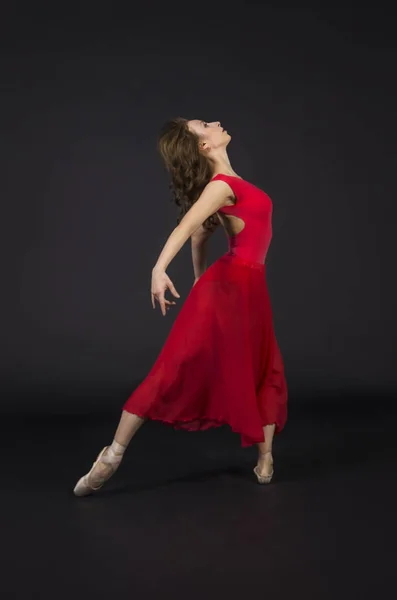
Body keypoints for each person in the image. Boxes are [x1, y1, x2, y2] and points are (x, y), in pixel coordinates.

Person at [73, 118, 288, 496]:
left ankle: (265, 457)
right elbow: (186, 228)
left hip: (249, 290)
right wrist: (159, 270)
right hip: (232, 285)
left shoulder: (230, 186)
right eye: (205, 124)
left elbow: (201, 236)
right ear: (204, 147)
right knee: (172, 369)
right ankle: (112, 455)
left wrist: (200, 279)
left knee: (262, 366)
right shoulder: (220, 187)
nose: (217, 122)